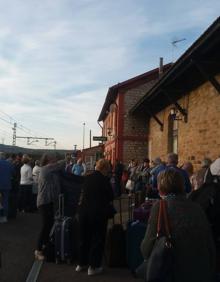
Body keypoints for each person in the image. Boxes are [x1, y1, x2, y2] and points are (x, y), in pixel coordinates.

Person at [141, 169, 216, 282]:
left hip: (174, 272)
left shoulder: (160, 207)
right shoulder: (197, 207)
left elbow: (146, 249)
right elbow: (210, 246)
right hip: (201, 272)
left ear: (161, 188)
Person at [76, 158, 114, 276]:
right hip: (97, 213)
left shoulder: (87, 178)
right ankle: (93, 266)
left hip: (83, 212)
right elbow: (111, 196)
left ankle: (81, 264)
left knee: (84, 237)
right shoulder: (104, 180)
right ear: (104, 168)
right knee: (97, 239)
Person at [35, 152, 65, 261]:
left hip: (50, 202)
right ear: (48, 160)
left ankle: (44, 247)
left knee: (49, 225)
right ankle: (38, 250)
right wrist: (69, 157)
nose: (56, 159)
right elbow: (61, 164)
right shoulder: (45, 169)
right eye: (54, 158)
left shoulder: (53, 171)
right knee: (45, 226)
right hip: (44, 201)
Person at [0, 152, 14, 223]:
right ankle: (4, 217)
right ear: (5, 157)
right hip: (7, 185)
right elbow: (12, 174)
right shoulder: (9, 164)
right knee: (5, 201)